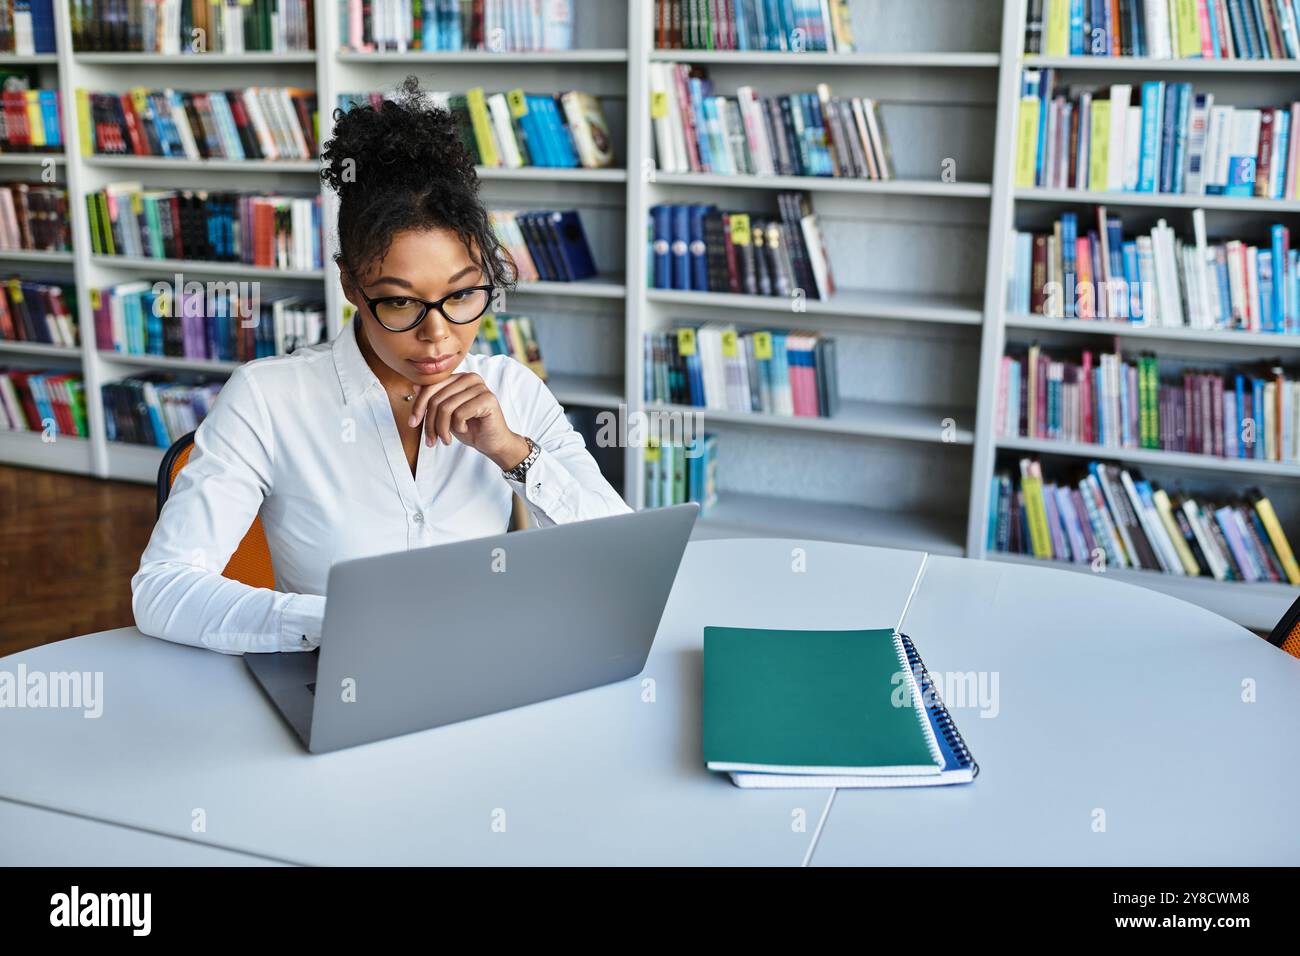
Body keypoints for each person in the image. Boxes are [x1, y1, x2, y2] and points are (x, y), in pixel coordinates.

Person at [131, 76, 631, 655]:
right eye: (399, 301)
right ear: (351, 283)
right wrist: (346, 624)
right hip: (335, 676)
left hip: (485, 668)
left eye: (464, 295)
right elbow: (163, 590)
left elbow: (621, 560)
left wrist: (515, 454)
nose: (438, 334)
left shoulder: (511, 389)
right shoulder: (268, 400)